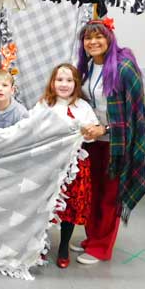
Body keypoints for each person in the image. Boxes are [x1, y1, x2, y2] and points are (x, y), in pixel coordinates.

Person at [73, 17, 145, 265]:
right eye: (88, 38)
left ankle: (101, 247)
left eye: (98, 36)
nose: (93, 42)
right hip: (92, 141)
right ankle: (91, 238)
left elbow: (134, 115)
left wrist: (104, 128)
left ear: (109, 38)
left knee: (110, 196)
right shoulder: (86, 67)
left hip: (117, 143)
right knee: (92, 192)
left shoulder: (124, 67)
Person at [41, 63, 99, 268]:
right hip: (48, 165)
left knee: (70, 207)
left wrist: (90, 132)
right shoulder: (44, 105)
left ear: (76, 83)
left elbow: (93, 134)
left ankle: (64, 245)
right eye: (59, 80)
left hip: (75, 166)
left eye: (69, 80)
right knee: (44, 204)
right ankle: (40, 244)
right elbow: (32, 129)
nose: (64, 84)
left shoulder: (83, 107)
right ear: (52, 82)